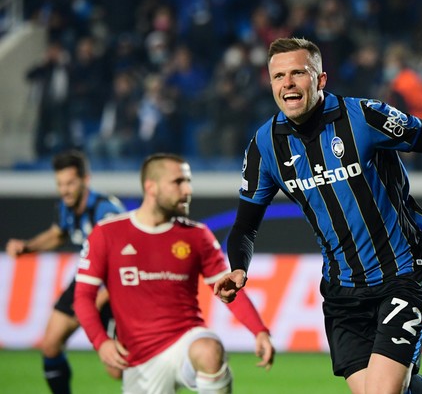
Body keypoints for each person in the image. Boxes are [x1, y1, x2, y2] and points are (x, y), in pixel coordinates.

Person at [214, 37, 422, 394]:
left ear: (320, 79)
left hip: (403, 273)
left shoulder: (363, 117)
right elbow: (245, 226)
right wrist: (239, 268)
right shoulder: (265, 147)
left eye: (299, 73)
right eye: (279, 76)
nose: (288, 83)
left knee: (382, 392)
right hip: (343, 291)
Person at [74, 153, 275, 394]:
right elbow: (83, 297)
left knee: (209, 350)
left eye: (188, 181)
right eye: (178, 182)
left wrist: (259, 331)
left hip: (185, 339)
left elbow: (229, 290)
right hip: (141, 359)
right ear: (151, 187)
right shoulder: (107, 234)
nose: (187, 189)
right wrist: (101, 342)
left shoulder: (196, 235)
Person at [5, 149, 126, 393]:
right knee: (50, 345)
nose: (65, 190)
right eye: (60, 184)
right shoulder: (66, 206)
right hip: (87, 282)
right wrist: (27, 247)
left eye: (70, 183)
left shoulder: (105, 211)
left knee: (117, 368)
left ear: (85, 180)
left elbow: (125, 263)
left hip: (118, 287)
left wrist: (95, 303)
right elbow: (57, 234)